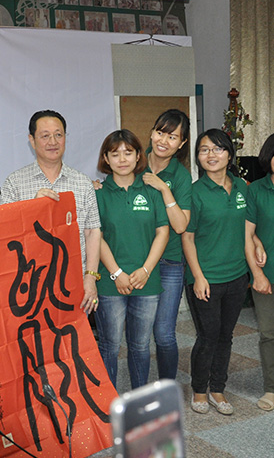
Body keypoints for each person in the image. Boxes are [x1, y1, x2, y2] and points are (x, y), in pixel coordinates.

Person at [0, 110, 102, 316]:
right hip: (29, 284)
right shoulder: (14, 183)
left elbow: (92, 232)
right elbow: (6, 233)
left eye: (58, 135)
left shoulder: (82, 182)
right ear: (32, 140)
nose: (53, 142)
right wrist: (33, 208)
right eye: (45, 136)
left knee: (71, 336)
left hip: (73, 282)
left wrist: (90, 278)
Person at [94, 129, 169, 389]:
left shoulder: (152, 191)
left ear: (138, 156)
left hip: (146, 282)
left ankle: (139, 400)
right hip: (109, 283)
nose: (122, 159)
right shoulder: (98, 193)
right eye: (115, 154)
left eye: (128, 153)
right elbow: (95, 236)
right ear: (106, 158)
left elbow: (163, 232)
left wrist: (146, 270)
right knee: (109, 346)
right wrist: (116, 273)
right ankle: (107, 404)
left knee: (140, 346)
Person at [182, 129, 249, 415]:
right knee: (208, 336)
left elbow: (249, 226)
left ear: (229, 154)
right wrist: (198, 276)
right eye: (204, 150)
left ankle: (218, 389)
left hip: (237, 276)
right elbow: (187, 237)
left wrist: (257, 245)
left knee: (226, 335)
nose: (211, 155)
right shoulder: (194, 192)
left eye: (217, 149)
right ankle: (199, 390)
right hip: (206, 278)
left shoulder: (242, 187)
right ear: (197, 157)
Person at [141, 110, 192, 380]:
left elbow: (181, 225)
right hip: (137, 259)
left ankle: (167, 388)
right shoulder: (134, 162)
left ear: (182, 143)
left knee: (163, 333)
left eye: (173, 137)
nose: (164, 141)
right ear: (152, 132)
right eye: (160, 132)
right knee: (136, 334)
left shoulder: (181, 176)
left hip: (170, 262)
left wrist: (164, 188)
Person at [245, 133, 274, 411]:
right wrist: (258, 274)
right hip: (268, 274)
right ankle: (271, 388)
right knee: (268, 333)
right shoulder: (256, 190)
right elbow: (247, 234)